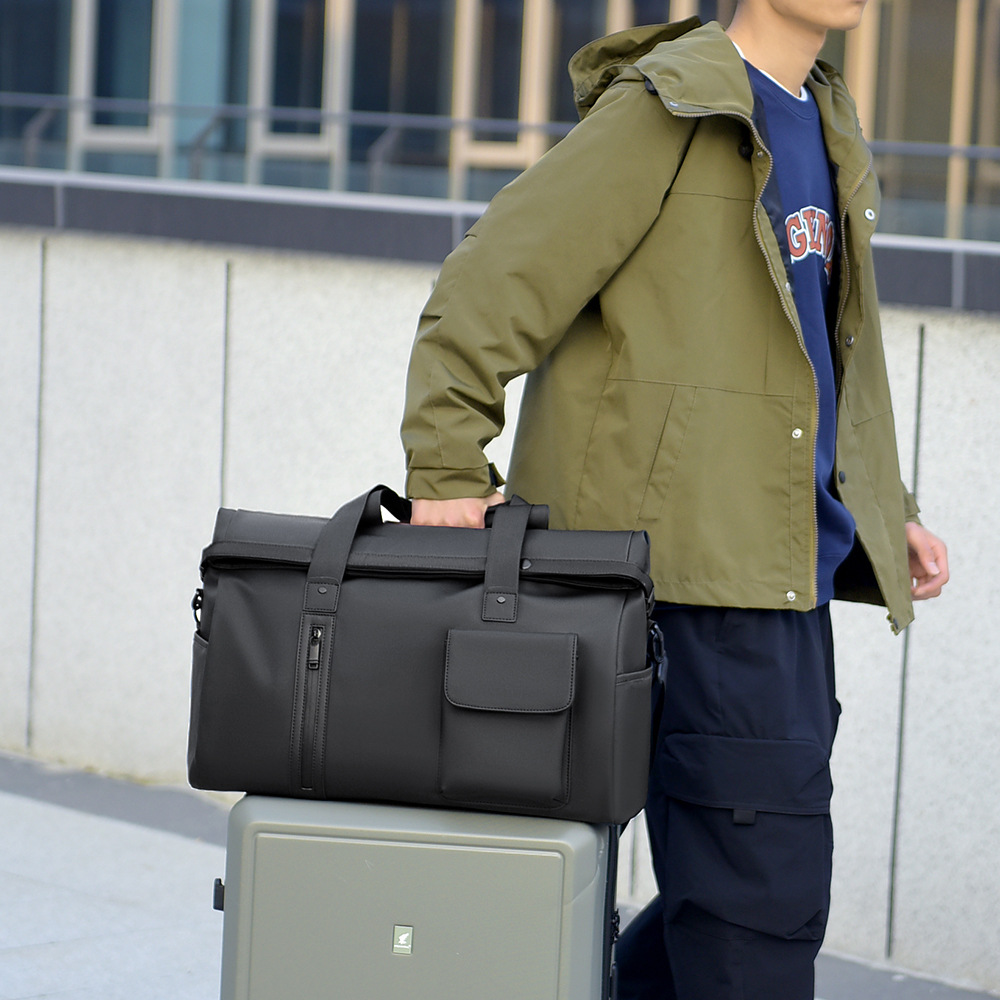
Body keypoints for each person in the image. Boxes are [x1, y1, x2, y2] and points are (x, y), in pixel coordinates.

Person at [400, 1, 949, 997]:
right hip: (680, 580)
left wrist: (881, 505)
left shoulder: (819, 114)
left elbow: (821, 360)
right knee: (757, 911)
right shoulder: (671, 105)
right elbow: (491, 281)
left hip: (776, 574)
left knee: (738, 897)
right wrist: (445, 472)